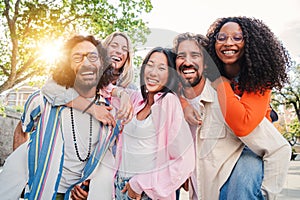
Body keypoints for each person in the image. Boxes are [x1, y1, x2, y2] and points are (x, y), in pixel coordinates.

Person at [0, 35, 126, 199]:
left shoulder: (109, 112)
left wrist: (87, 186)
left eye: (92, 56)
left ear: (102, 63)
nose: (86, 62)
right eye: (77, 57)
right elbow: (22, 129)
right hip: (42, 190)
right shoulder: (43, 100)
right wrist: (28, 172)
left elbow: (104, 157)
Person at [174, 31, 291, 200]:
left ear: (206, 64)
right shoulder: (173, 103)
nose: (187, 61)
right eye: (181, 56)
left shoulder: (225, 103)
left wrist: (261, 195)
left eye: (195, 55)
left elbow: (280, 149)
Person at [206, 17, 292, 199]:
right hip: (219, 146)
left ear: (250, 43)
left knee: (242, 181)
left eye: (237, 38)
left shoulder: (260, 78)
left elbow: (243, 124)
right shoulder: (207, 78)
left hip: (253, 148)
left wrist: (221, 85)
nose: (228, 43)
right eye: (221, 38)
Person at [12, 31, 136, 151]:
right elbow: (50, 89)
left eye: (125, 49)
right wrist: (92, 108)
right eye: (114, 45)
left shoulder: (130, 89)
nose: (119, 51)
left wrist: (123, 95)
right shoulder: (64, 85)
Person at [113, 47, 195, 199]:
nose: (153, 72)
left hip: (145, 192)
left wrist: (139, 184)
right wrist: (121, 93)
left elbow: (185, 160)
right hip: (120, 187)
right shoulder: (137, 99)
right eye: (149, 65)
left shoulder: (168, 102)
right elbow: (100, 89)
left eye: (161, 68)